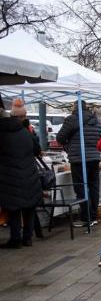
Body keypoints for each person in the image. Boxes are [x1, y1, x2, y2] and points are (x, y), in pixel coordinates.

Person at [56, 101, 101, 228]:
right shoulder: (97, 121)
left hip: (78, 159)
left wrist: (68, 146)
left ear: (74, 107)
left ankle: (86, 217)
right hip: (94, 158)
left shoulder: (71, 119)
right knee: (94, 187)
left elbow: (60, 138)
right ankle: (93, 216)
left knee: (81, 188)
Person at [0, 102, 41, 249]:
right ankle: (28, 238)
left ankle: (15, 239)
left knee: (14, 209)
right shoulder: (25, 132)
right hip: (29, 174)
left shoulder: (2, 134)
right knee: (29, 208)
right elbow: (37, 150)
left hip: (9, 176)